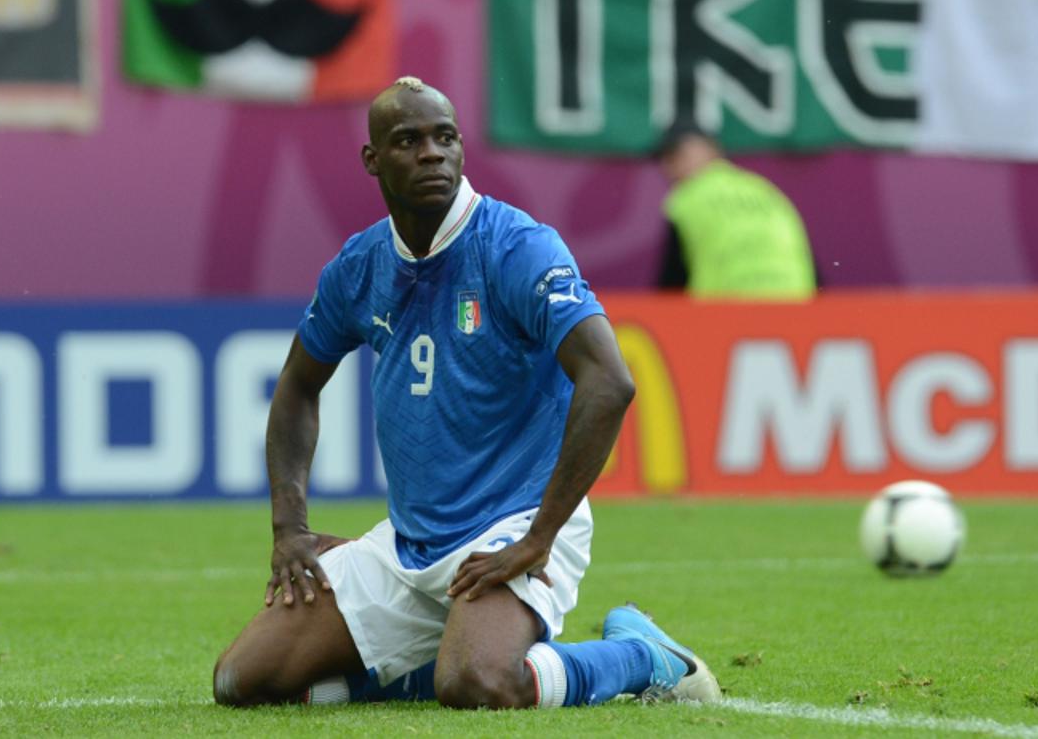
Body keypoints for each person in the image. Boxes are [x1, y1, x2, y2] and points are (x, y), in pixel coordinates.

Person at [212, 77, 720, 710]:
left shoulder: (516, 247)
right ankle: (433, 655)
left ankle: (644, 655)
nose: (432, 153)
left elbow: (609, 382)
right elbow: (296, 388)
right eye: (408, 141)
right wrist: (290, 528)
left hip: (513, 524)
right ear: (373, 161)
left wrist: (539, 537)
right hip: (408, 545)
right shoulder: (359, 265)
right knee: (244, 682)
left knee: (478, 683)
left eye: (445, 137)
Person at [655, 119, 816, 299]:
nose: (666, 168)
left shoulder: (687, 200)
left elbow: (671, 284)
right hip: (793, 306)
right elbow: (809, 263)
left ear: (713, 151)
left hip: (726, 311)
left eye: (672, 157)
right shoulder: (764, 190)